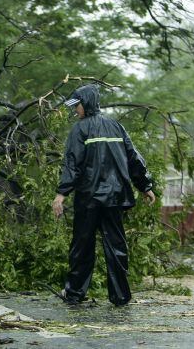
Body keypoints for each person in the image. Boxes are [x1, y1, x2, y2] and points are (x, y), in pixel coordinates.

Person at [52, 84, 156, 306]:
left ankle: (74, 294)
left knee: (82, 246)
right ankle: (120, 297)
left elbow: (72, 164)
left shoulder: (79, 130)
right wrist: (145, 186)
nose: (75, 110)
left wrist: (61, 194)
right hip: (114, 198)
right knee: (116, 246)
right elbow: (134, 158)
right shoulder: (116, 126)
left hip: (88, 199)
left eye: (77, 105)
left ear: (86, 102)